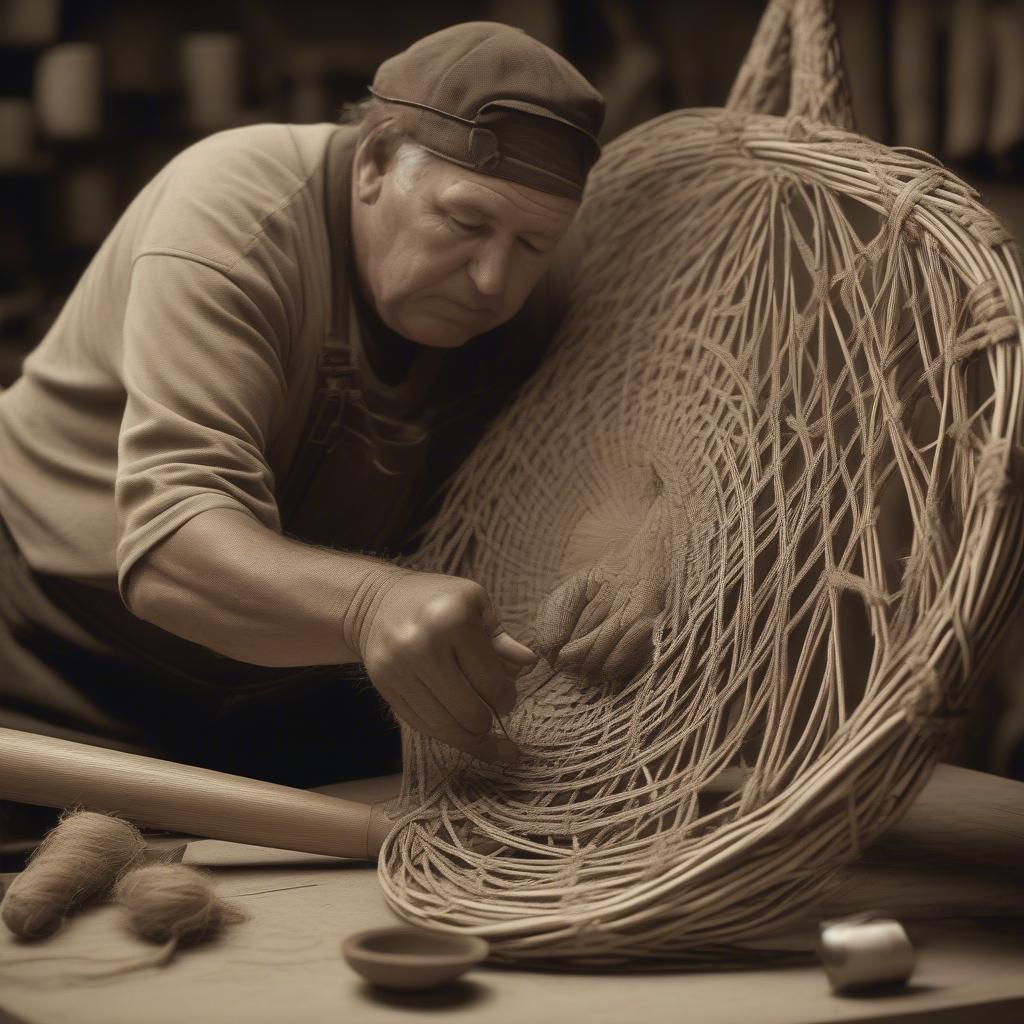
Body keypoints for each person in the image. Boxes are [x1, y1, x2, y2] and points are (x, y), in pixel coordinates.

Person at [0, 22, 605, 798]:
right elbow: (171, 554)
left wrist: (612, 580)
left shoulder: (544, 288)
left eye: (532, 245)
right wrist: (369, 602)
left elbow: (581, 471)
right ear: (376, 161)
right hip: (55, 656)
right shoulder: (235, 212)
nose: (494, 279)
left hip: (293, 696)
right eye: (463, 223)